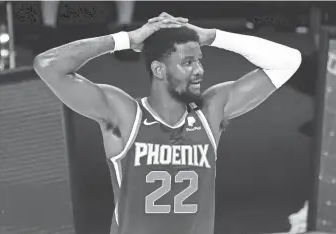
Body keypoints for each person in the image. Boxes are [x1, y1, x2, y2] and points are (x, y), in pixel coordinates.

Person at [33, 12, 302, 234]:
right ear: (159, 70)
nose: (199, 70)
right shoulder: (125, 115)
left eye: (199, 60)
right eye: (187, 62)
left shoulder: (209, 113)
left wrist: (212, 36)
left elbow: (289, 61)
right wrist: (127, 38)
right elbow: (47, 64)